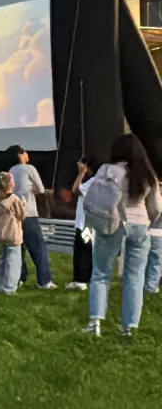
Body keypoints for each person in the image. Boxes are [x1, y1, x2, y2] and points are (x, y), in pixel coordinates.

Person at [83, 134, 161, 337]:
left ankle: (95, 322)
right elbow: (156, 207)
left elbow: (96, 198)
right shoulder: (147, 174)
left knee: (101, 273)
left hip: (114, 223)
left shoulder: (108, 170)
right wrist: (147, 220)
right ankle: (129, 327)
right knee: (134, 277)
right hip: (141, 226)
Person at [6, 145, 56, 289]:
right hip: (28, 213)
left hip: (14, 215)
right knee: (38, 248)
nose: (27, 154)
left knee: (18, 247)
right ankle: (45, 281)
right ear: (20, 155)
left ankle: (19, 278)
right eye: (24, 152)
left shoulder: (11, 171)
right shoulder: (29, 168)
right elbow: (40, 189)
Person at [67, 155, 101, 291]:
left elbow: (75, 190)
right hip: (90, 222)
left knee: (82, 250)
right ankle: (85, 277)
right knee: (87, 249)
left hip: (85, 223)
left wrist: (81, 173)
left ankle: (81, 279)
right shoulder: (98, 181)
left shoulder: (92, 181)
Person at [0, 172, 25, 295]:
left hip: (1, 233)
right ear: (10, 183)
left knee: (2, 259)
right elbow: (21, 215)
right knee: (13, 262)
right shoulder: (14, 199)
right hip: (13, 234)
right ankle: (10, 287)